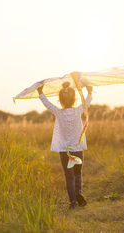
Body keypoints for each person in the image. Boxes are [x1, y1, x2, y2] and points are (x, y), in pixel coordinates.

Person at [37, 81, 93, 209]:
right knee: (78, 173)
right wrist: (89, 92)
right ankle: (78, 194)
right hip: (77, 149)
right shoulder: (78, 110)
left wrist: (40, 92)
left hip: (64, 151)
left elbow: (47, 104)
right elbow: (87, 102)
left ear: (60, 100)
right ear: (74, 99)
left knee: (69, 177)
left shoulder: (58, 112)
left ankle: (72, 202)